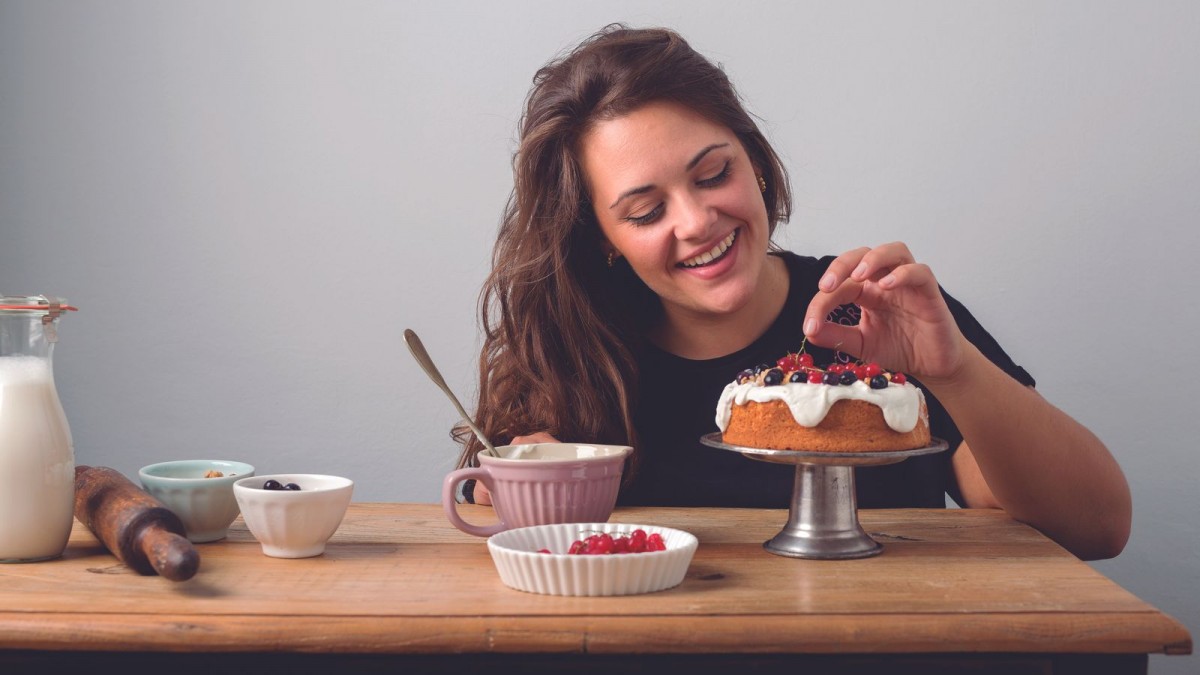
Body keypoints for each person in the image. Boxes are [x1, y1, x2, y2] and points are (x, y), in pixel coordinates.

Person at [453, 24, 1131, 561]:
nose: (695, 222)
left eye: (713, 173)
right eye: (646, 211)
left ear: (752, 156)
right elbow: (496, 554)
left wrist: (954, 371)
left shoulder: (875, 312)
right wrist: (526, 491)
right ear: (601, 235)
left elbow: (1099, 526)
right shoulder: (575, 356)